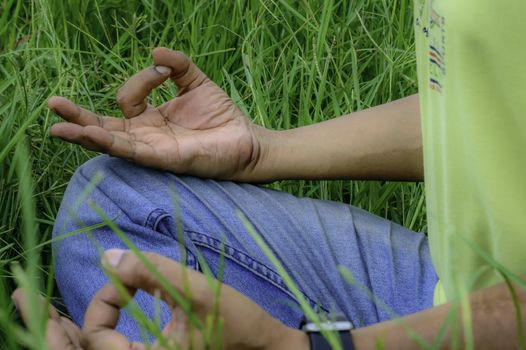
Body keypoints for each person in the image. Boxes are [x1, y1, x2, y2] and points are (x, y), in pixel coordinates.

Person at [13, 0, 526, 348]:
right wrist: (262, 150)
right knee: (113, 196)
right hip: (462, 285)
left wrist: (311, 345)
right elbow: (496, 106)